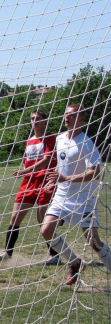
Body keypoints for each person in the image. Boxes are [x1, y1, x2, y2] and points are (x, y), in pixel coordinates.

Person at [41, 104, 111, 286]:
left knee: (94, 243)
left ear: (81, 119)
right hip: (62, 196)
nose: (67, 118)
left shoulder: (87, 143)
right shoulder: (60, 139)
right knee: (46, 230)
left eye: (72, 115)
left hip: (83, 199)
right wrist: (54, 180)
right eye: (66, 115)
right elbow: (61, 166)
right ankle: (75, 263)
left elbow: (95, 172)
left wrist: (66, 178)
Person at [0, 110, 61, 266]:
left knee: (42, 219)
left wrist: (25, 170)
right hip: (29, 182)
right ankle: (7, 253)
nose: (34, 121)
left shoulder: (51, 138)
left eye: (38, 118)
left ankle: (54, 254)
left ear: (45, 121)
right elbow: (28, 161)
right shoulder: (30, 140)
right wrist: (26, 171)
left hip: (46, 180)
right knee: (15, 217)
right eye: (32, 118)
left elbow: (47, 159)